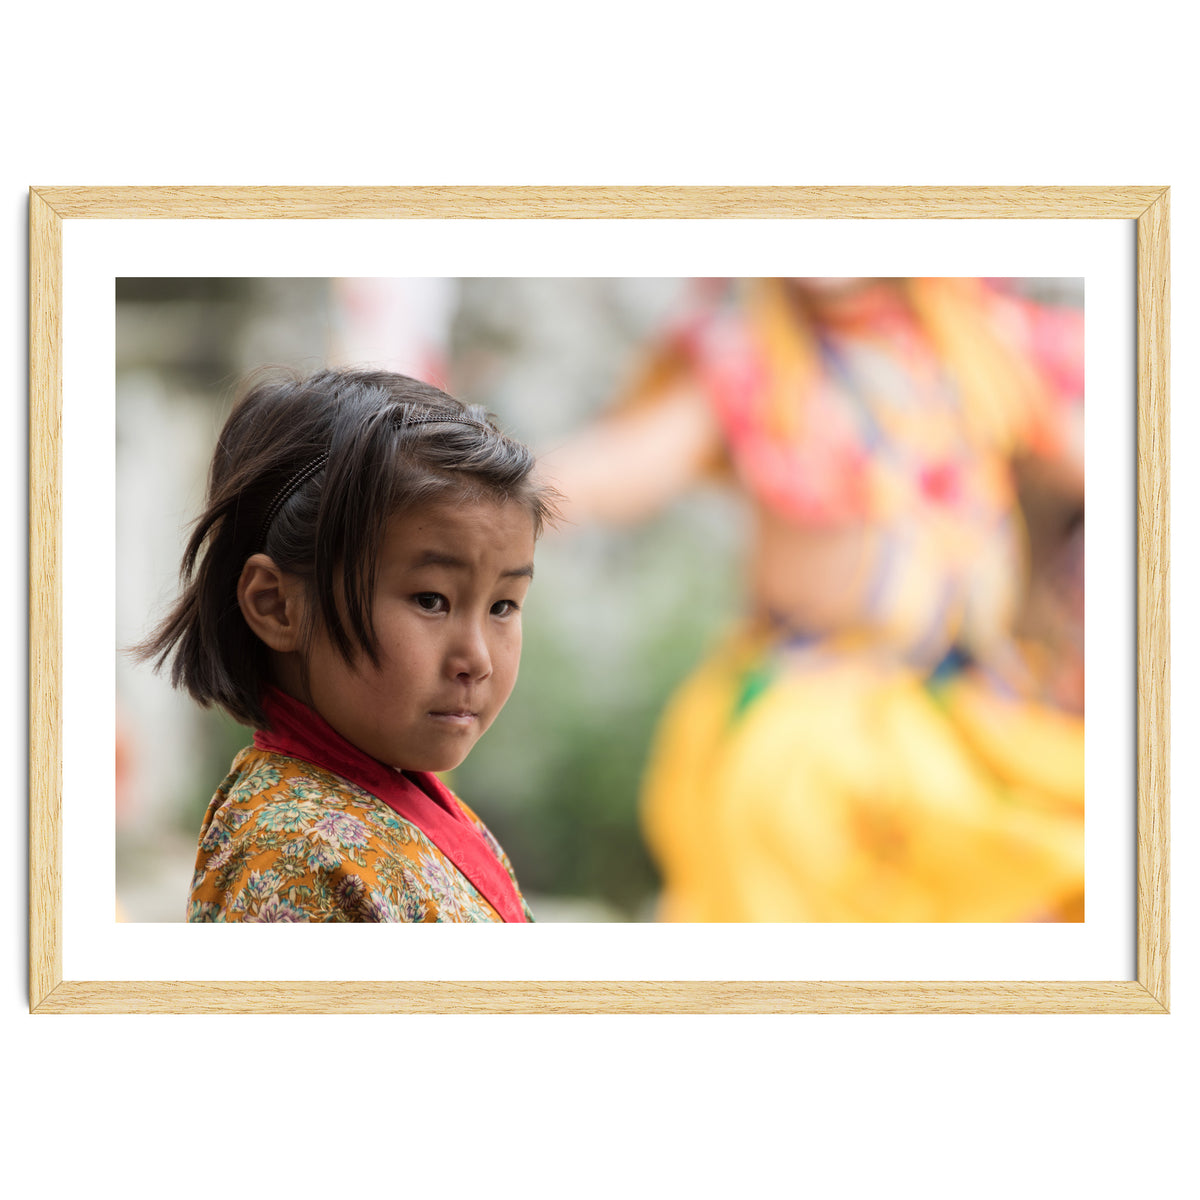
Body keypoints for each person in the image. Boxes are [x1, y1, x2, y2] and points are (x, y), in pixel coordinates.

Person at [543, 277, 1085, 922]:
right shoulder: (747, 352)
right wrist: (492, 492)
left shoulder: (975, 342)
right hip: (817, 717)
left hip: (971, 709)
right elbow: (625, 466)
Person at [136, 368, 558, 922]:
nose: (477, 659)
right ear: (276, 605)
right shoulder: (295, 857)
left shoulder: (405, 802)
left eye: (503, 605)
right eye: (431, 600)